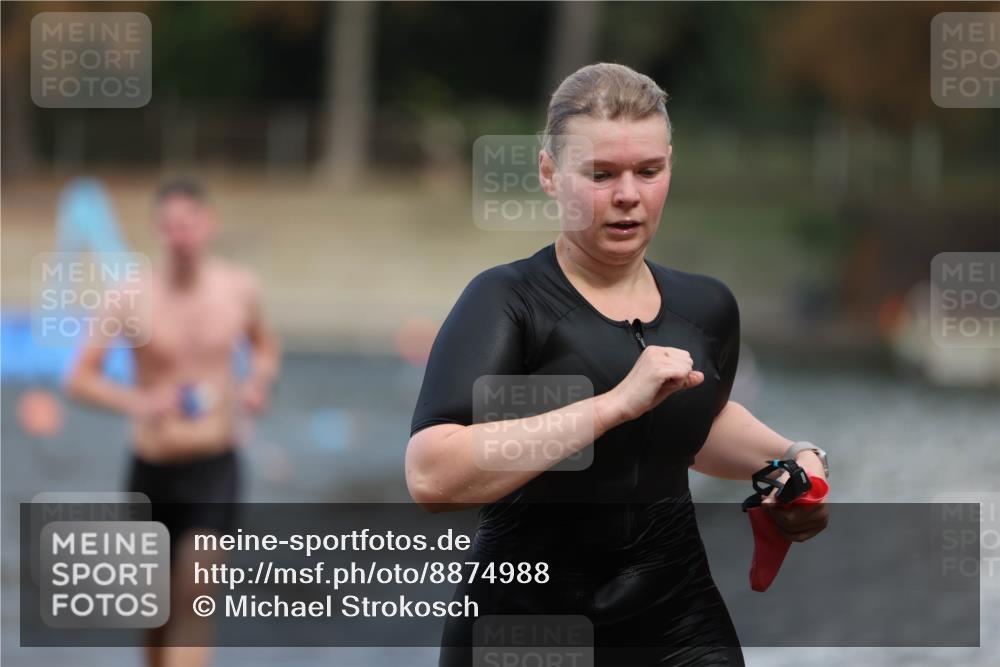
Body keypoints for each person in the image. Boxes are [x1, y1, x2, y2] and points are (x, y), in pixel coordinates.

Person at [406, 63, 829, 666]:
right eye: (601, 174)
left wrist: (793, 460)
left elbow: (693, 427)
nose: (628, 194)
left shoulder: (705, 306)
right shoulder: (507, 302)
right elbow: (432, 476)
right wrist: (611, 407)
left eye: (648, 171)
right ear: (550, 174)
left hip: (677, 620)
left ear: (670, 168)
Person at [66, 178, 280, 667]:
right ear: (157, 231)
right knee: (155, 615)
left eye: (190, 225)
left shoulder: (238, 288)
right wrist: (139, 402)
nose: (181, 236)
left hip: (214, 465)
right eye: (171, 227)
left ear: (209, 225)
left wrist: (258, 383)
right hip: (151, 467)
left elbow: (264, 348)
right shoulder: (130, 296)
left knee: (196, 600)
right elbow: (78, 378)